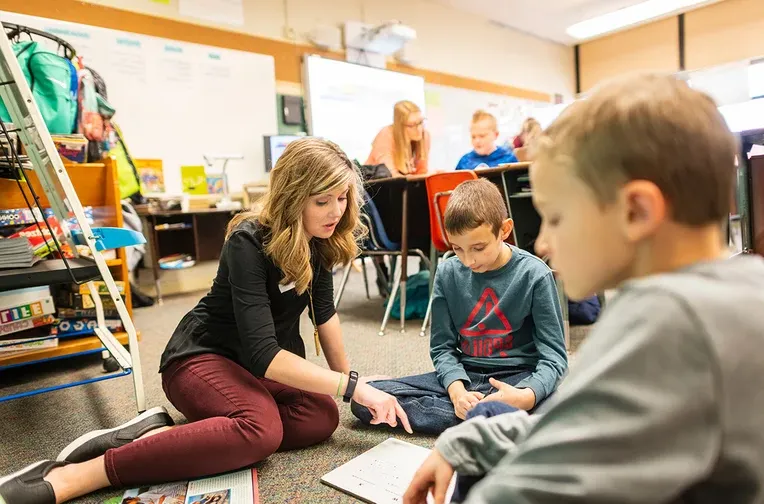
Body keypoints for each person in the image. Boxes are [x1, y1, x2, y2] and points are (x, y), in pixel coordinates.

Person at [403, 74, 764, 504]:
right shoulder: (726, 288)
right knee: (487, 419)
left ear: (636, 210)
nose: (543, 243)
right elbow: (582, 421)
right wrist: (461, 442)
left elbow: (538, 483)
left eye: (556, 217)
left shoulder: (668, 320)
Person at [0, 138, 412, 504]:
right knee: (260, 431)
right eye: (322, 201)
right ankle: (78, 473)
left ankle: (164, 438)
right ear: (292, 196)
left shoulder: (321, 239)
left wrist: (354, 387)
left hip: (254, 368)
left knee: (321, 416)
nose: (336, 212)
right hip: (200, 358)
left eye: (341, 199)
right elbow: (266, 354)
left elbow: (326, 317)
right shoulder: (248, 240)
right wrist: (354, 387)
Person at [351, 179, 568, 434]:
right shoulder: (447, 271)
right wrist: (456, 391)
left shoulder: (535, 274)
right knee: (365, 403)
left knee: (558, 409)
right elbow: (442, 347)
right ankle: (495, 420)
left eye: (479, 247)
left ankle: (491, 417)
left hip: (518, 376)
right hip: (464, 375)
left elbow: (554, 357)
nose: (469, 260)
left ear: (505, 229)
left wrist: (526, 396)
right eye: (457, 249)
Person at [366, 100, 431, 177]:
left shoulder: (424, 135)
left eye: (420, 122)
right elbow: (392, 176)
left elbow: (422, 172)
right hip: (377, 185)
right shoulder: (385, 135)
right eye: (411, 125)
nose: (419, 129)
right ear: (400, 127)